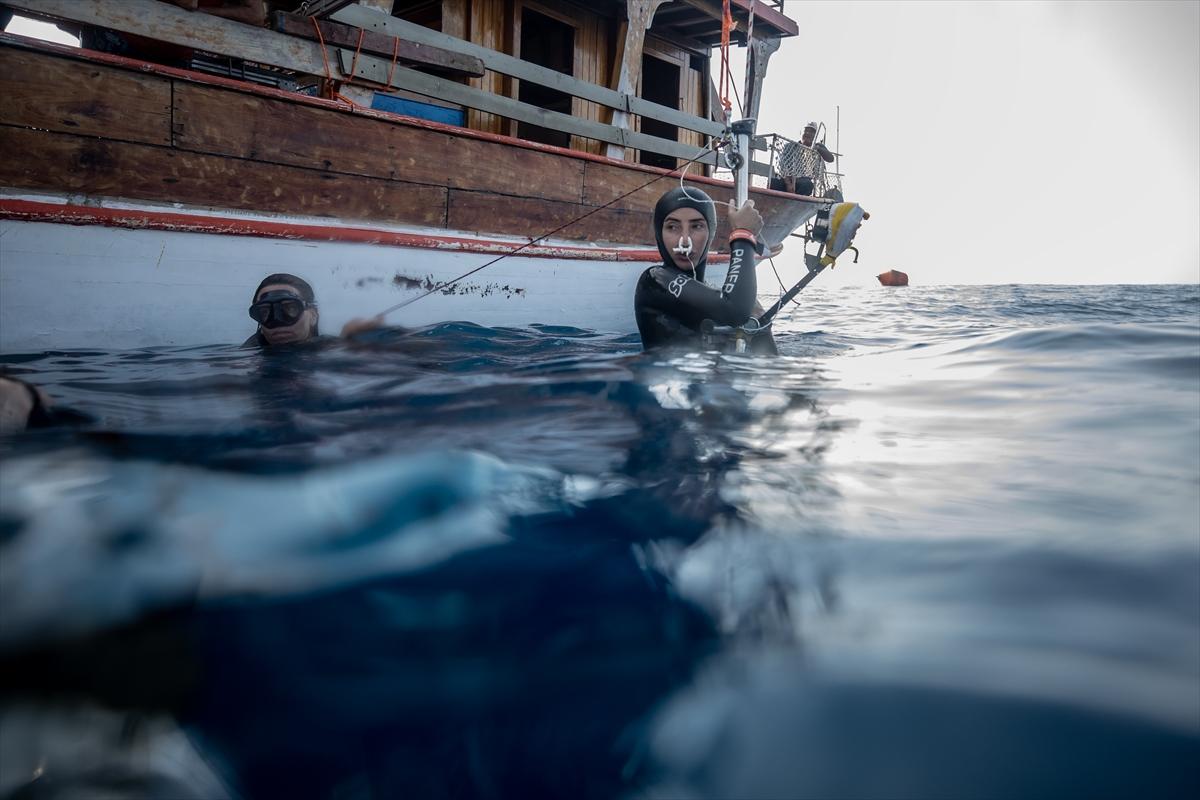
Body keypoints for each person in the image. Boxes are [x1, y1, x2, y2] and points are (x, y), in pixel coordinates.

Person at [634, 187, 777, 354]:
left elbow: (770, 363)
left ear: (711, 233)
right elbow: (735, 311)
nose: (685, 241)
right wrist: (743, 235)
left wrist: (761, 327)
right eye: (672, 227)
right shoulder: (654, 280)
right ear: (659, 233)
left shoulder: (720, 298)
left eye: (696, 226)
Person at [769, 121, 835, 197]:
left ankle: (794, 203)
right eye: (806, 130)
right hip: (786, 179)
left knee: (808, 185)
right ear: (801, 132)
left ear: (815, 135)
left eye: (812, 132)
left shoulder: (816, 149)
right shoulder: (790, 146)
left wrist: (818, 148)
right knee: (773, 182)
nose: (808, 133)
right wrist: (789, 184)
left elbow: (831, 158)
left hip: (802, 182)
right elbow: (782, 165)